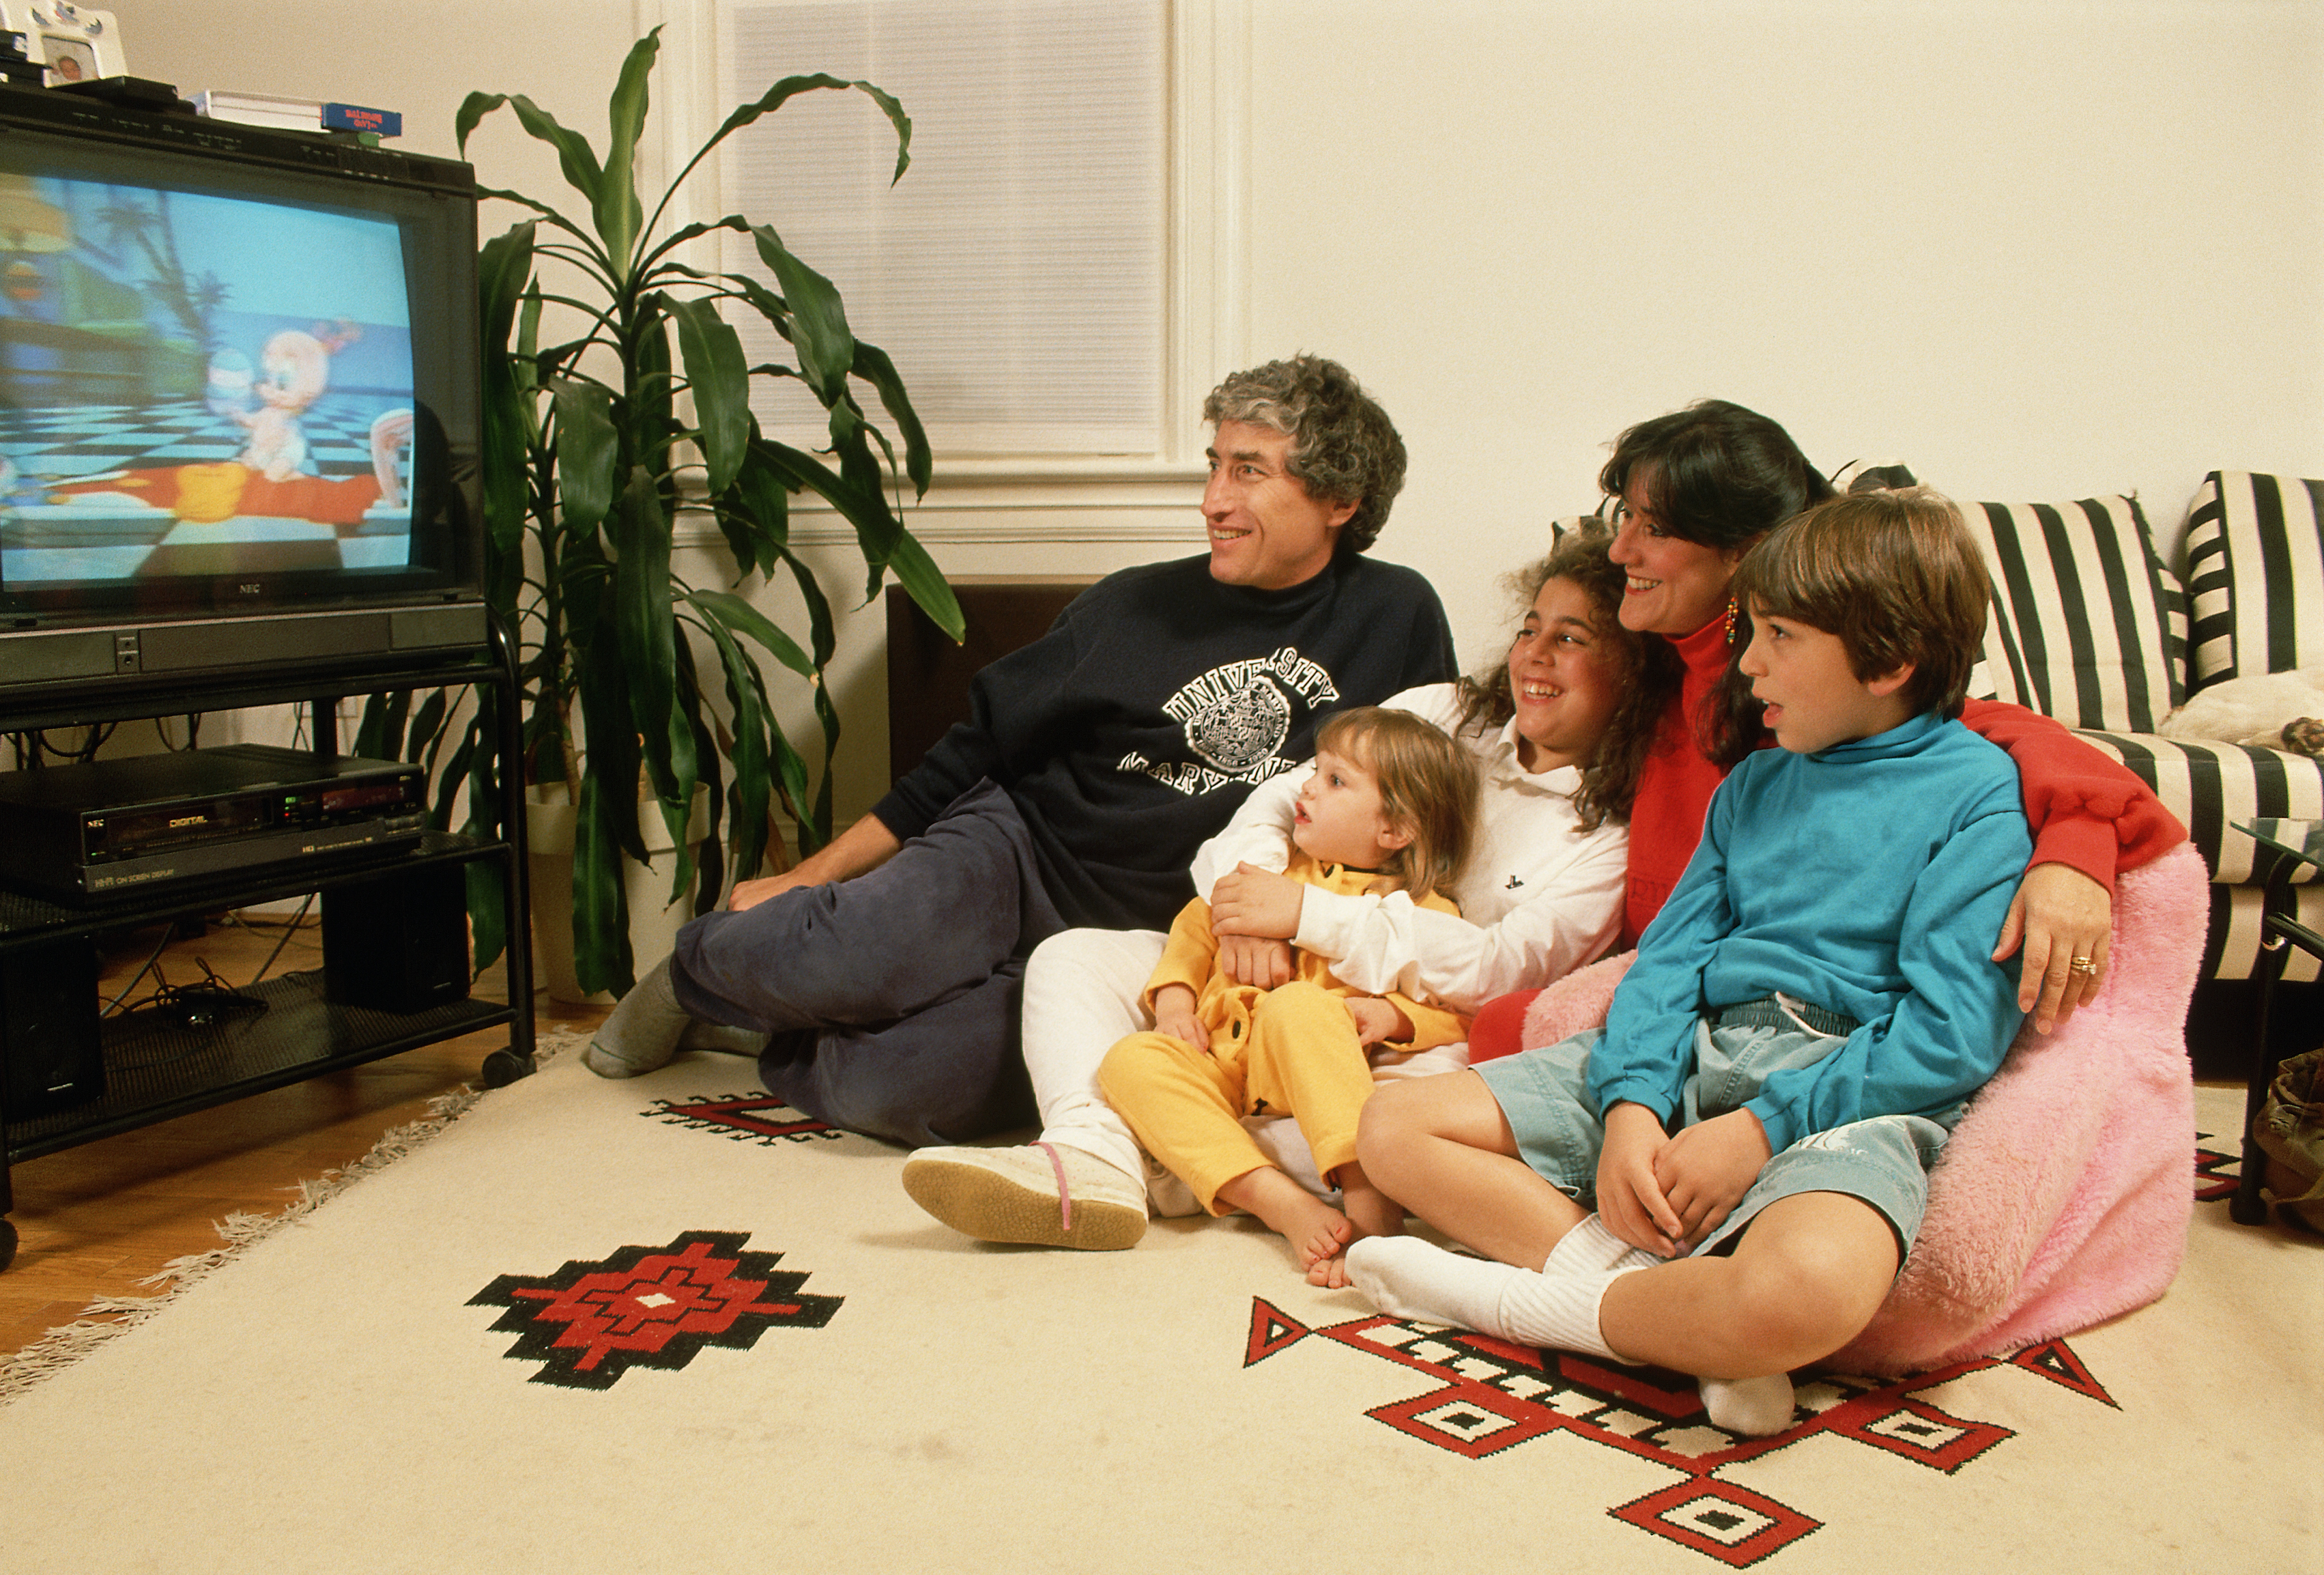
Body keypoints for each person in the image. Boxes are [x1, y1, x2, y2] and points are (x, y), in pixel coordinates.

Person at [579, 355, 1458, 1148]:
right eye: (1215, 466)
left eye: (1250, 473)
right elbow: (968, 754)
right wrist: (812, 874)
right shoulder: (1131, 607)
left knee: (912, 1094)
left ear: (1340, 502)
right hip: (1024, 851)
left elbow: (1422, 799)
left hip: (1153, 940)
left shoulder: (1398, 616)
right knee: (854, 955)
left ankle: (779, 1031)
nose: (1213, 501)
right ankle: (698, 972)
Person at [1343, 488, 2037, 1438]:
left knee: (1810, 1289)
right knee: (1393, 1123)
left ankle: (1513, 1301)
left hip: (1848, 1092)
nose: (1746, 662)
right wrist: (1632, 1105)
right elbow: (1665, 964)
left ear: (1888, 661)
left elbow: (1952, 1032)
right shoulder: (1753, 781)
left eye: (1779, 636)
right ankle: (1680, 1318)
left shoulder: (1976, 796)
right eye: (1750, 631)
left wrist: (1759, 1128)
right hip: (1698, 1050)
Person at [901, 527, 1659, 1247]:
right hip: (1247, 989)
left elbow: (1503, 973)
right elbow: (1279, 799)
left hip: (1386, 1032)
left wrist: (1308, 918)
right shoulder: (1444, 711)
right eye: (1531, 629)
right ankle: (1096, 1153)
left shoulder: (1609, 836)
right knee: (1072, 960)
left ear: (1630, 672)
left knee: (1388, 1107)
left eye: (1572, 639)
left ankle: (1176, 1162)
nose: (1535, 655)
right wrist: (1251, 912)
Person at [1462, 400, 2185, 1062]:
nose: (1621, 550)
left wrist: (2075, 851)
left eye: (1653, 529)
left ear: (1740, 552)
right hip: (1661, 964)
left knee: (1502, 1040)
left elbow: (1994, 737)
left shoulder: (1806, 684)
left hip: (1767, 998)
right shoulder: (1650, 644)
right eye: (1624, 517)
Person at [1094, 707, 1478, 1275]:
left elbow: (1455, 1006)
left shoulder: (1418, 910)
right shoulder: (1266, 872)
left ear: (1394, 829)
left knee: (1299, 1005)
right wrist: (1174, 1003)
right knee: (1129, 1060)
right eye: (1315, 771)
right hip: (1221, 1063)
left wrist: (1392, 1017)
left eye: (1335, 781)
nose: (1307, 787)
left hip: (1307, 1079)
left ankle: (1368, 1198)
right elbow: (1196, 927)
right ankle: (1278, 1201)